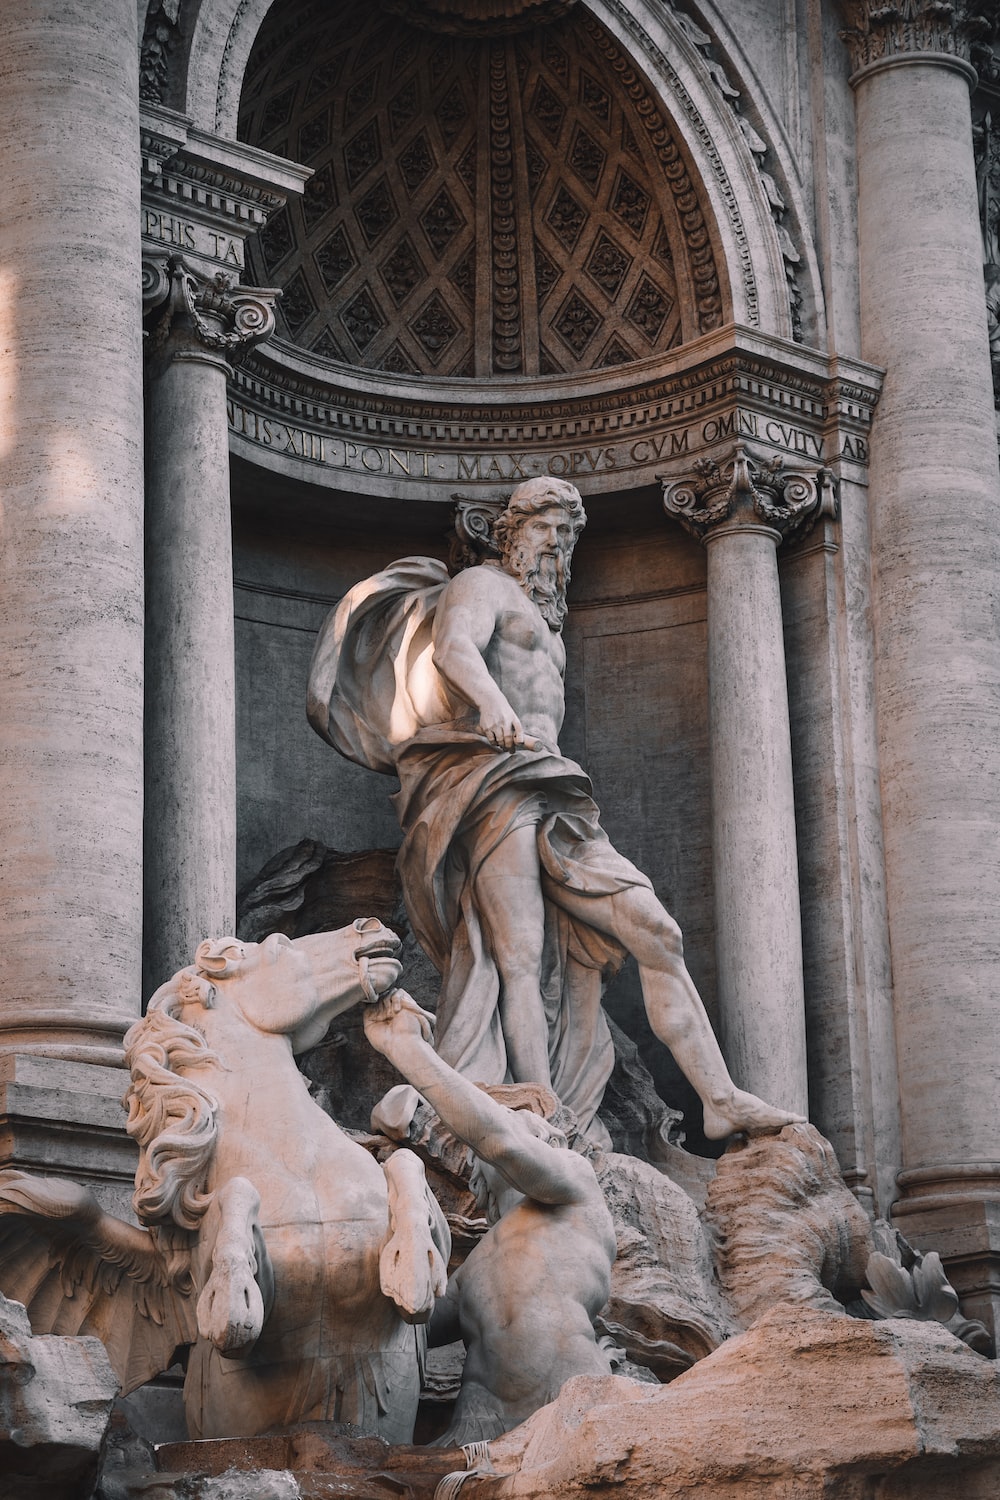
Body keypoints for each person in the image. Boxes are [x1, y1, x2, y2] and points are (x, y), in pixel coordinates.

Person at [308, 477, 802, 1141]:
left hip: (556, 792)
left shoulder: (546, 619)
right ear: (512, 532)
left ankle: (720, 1099)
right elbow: (453, 648)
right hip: (492, 782)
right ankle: (542, 1110)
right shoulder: (482, 586)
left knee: (657, 931)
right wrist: (492, 705)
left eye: (568, 534)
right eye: (547, 529)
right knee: (519, 955)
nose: (558, 545)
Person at [362, 988, 618, 1444]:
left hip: (573, 1392)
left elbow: (500, 1143)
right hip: (479, 1419)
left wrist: (406, 1050)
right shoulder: (471, 1270)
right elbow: (404, 1320)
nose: (487, 1140)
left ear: (547, 1140)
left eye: (511, 1118)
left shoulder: (575, 1190)